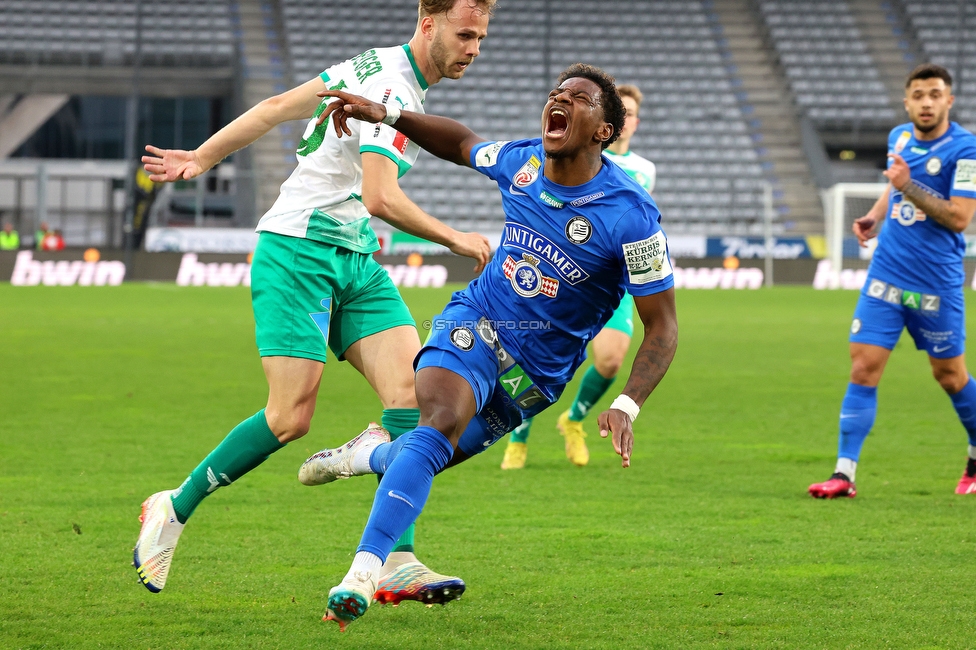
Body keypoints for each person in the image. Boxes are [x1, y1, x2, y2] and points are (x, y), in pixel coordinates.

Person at [132, 0, 495, 607]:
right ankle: (173, 506)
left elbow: (278, 108)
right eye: (464, 34)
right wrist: (457, 237)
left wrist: (203, 155)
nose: (474, 48)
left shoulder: (374, 65)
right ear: (428, 23)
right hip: (299, 247)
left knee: (414, 396)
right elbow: (381, 198)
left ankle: (396, 560)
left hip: (352, 256)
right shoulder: (388, 84)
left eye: (481, 37)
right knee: (289, 418)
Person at [303, 63, 678, 629]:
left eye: (578, 98)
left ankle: (364, 456)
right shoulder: (523, 161)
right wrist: (393, 114)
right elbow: (462, 143)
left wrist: (627, 403)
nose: (560, 100)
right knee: (439, 420)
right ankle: (363, 571)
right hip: (476, 322)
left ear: (605, 130)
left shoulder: (631, 216)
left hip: (538, 375)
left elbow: (663, 325)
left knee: (427, 456)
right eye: (556, 92)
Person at [808, 63, 976, 499]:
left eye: (935, 94)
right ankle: (844, 475)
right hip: (886, 274)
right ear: (906, 101)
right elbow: (893, 187)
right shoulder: (898, 137)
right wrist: (875, 216)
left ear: (948, 101)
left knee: (950, 376)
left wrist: (910, 185)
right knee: (863, 368)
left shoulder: (966, 150)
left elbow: (960, 218)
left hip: (936, 283)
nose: (926, 102)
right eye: (918, 94)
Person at [499, 83, 657, 469]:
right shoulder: (572, 158)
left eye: (632, 112)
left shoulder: (644, 172)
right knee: (537, 359)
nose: (627, 118)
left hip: (609, 282)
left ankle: (573, 420)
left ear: (632, 123)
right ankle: (518, 436)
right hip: (562, 274)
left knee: (611, 361)